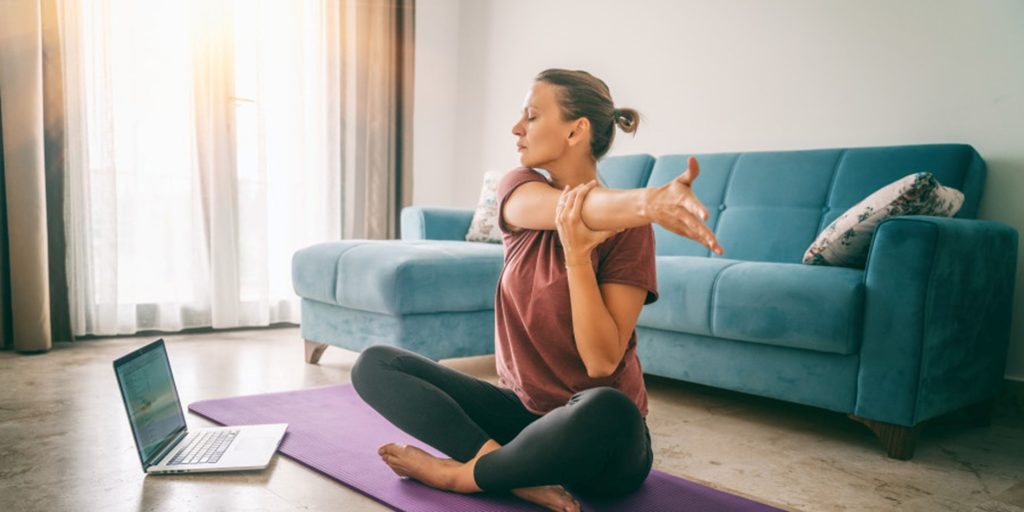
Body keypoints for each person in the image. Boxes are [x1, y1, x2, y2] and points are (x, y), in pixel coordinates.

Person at [351, 68, 723, 512]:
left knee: (609, 408)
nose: (516, 128)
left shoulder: (631, 233)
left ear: (575, 130)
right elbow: (573, 209)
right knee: (376, 364)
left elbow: (601, 361)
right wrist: (647, 202)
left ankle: (463, 475)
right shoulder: (519, 187)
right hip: (522, 420)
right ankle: (502, 468)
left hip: (597, 443)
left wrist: (579, 257)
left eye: (531, 116)